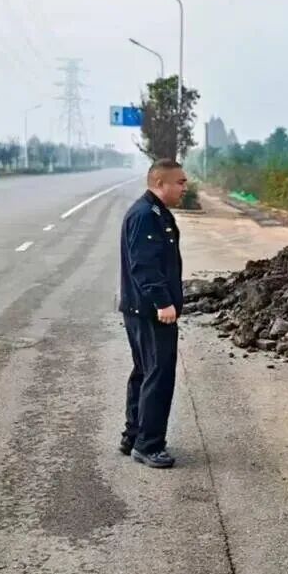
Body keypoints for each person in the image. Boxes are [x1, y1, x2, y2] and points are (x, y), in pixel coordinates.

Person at [118, 158, 187, 468]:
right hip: (150, 311)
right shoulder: (146, 215)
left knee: (145, 371)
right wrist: (162, 302)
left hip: (141, 309)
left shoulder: (155, 212)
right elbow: (144, 265)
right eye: (180, 182)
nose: (185, 188)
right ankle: (148, 445)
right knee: (158, 375)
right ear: (160, 183)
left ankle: (134, 435)